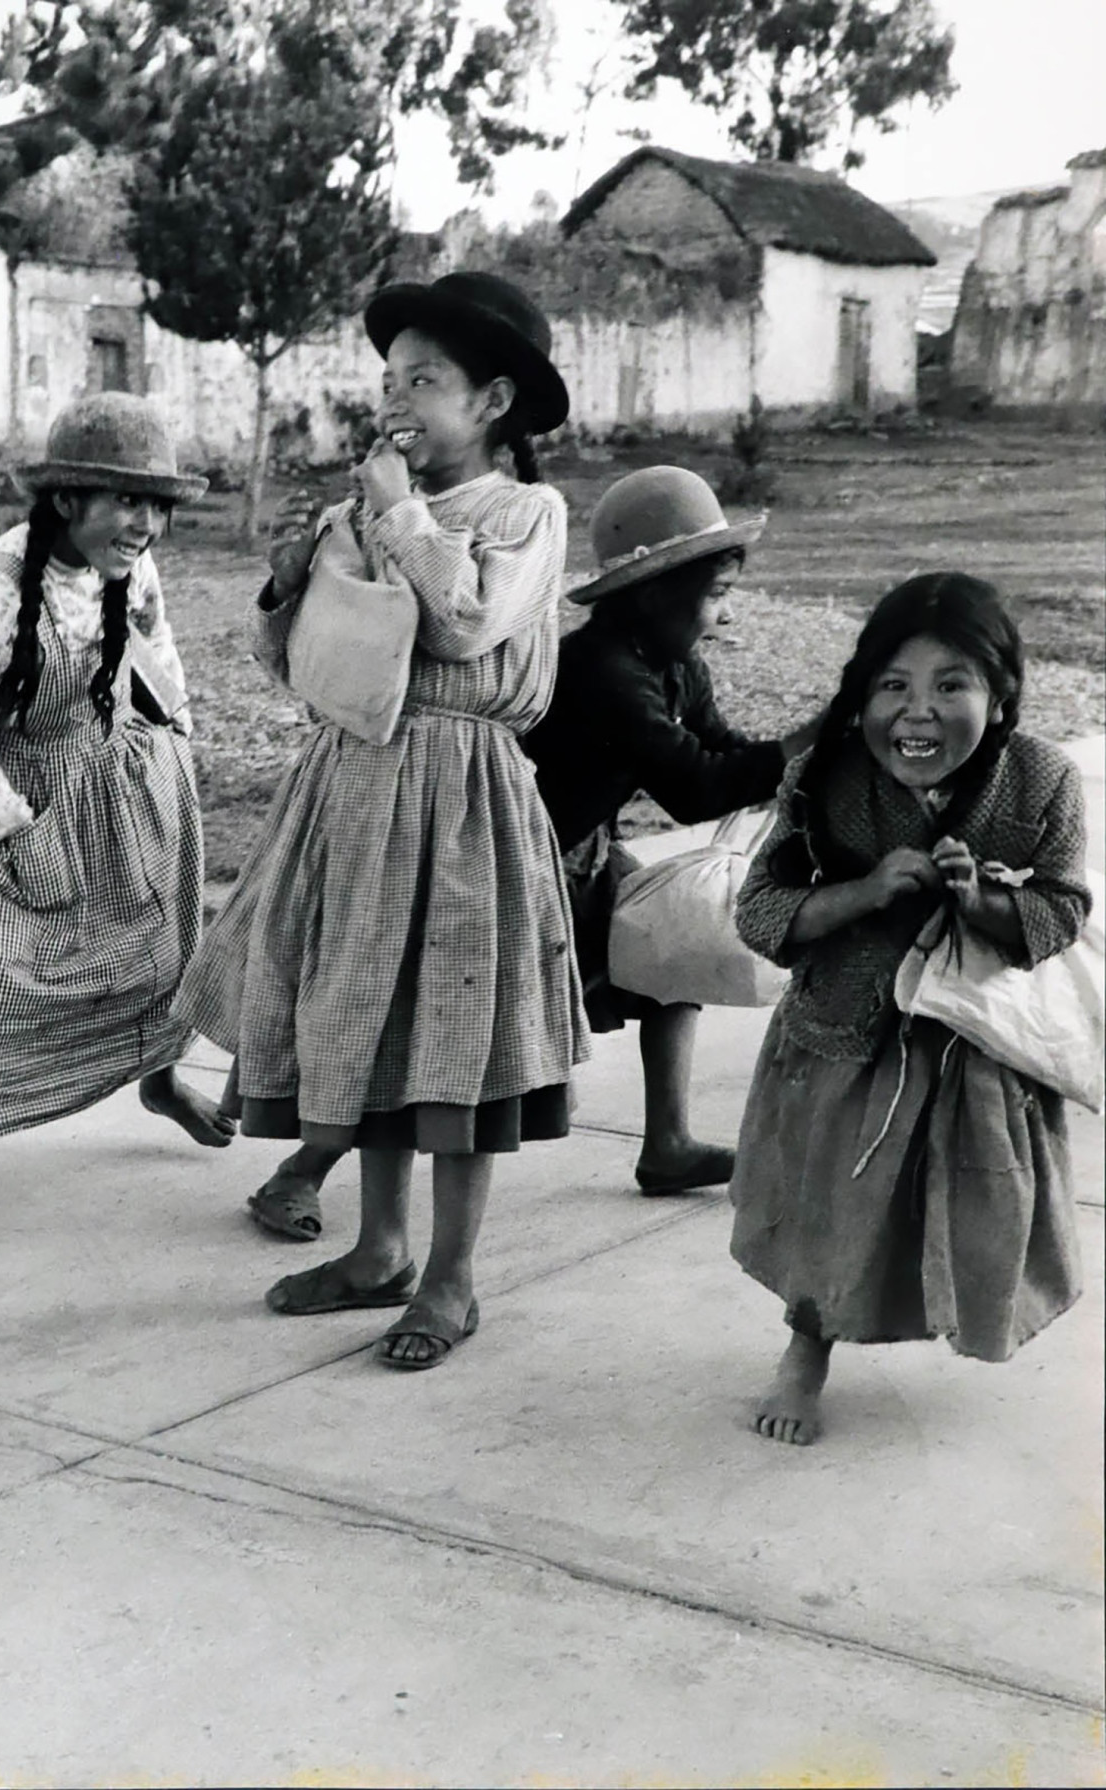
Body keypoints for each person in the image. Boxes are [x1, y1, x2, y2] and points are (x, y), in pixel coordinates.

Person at [174, 270, 588, 1369]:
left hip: (459, 797)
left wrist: (398, 512)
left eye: (426, 379)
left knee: (453, 1031)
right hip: (351, 787)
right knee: (368, 1019)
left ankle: (449, 1278)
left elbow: (464, 622)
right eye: (389, 376)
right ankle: (378, 1250)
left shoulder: (523, 513)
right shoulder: (361, 514)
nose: (396, 396)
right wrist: (287, 588)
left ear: (493, 400)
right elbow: (302, 667)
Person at [729, 572, 1089, 1445]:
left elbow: (1064, 908)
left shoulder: (1042, 779)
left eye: (950, 686)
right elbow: (761, 908)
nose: (918, 712)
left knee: (975, 1204)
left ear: (1001, 701)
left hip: (974, 1049)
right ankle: (806, 1349)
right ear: (860, 697)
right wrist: (862, 891)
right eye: (894, 685)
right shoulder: (828, 780)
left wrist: (987, 905)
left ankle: (950, 1308)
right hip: (848, 1041)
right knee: (835, 1203)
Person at [0, 392, 234, 1260]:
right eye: (127, 501)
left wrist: (174, 742)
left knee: (152, 953)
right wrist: (16, 833)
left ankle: (159, 1082)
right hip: (6, 803)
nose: (146, 524)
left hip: (111, 785)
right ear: (65, 502)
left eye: (156, 505)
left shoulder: (134, 574)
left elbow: (158, 653)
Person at [524, 466, 821, 1194]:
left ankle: (668, 1146)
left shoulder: (673, 662)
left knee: (670, 957)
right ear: (656, 593)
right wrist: (810, 743)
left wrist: (800, 767)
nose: (725, 615)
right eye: (715, 596)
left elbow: (721, 749)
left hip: (580, 852)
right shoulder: (603, 672)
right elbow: (695, 788)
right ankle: (308, 1165)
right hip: (522, 863)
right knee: (455, 1038)